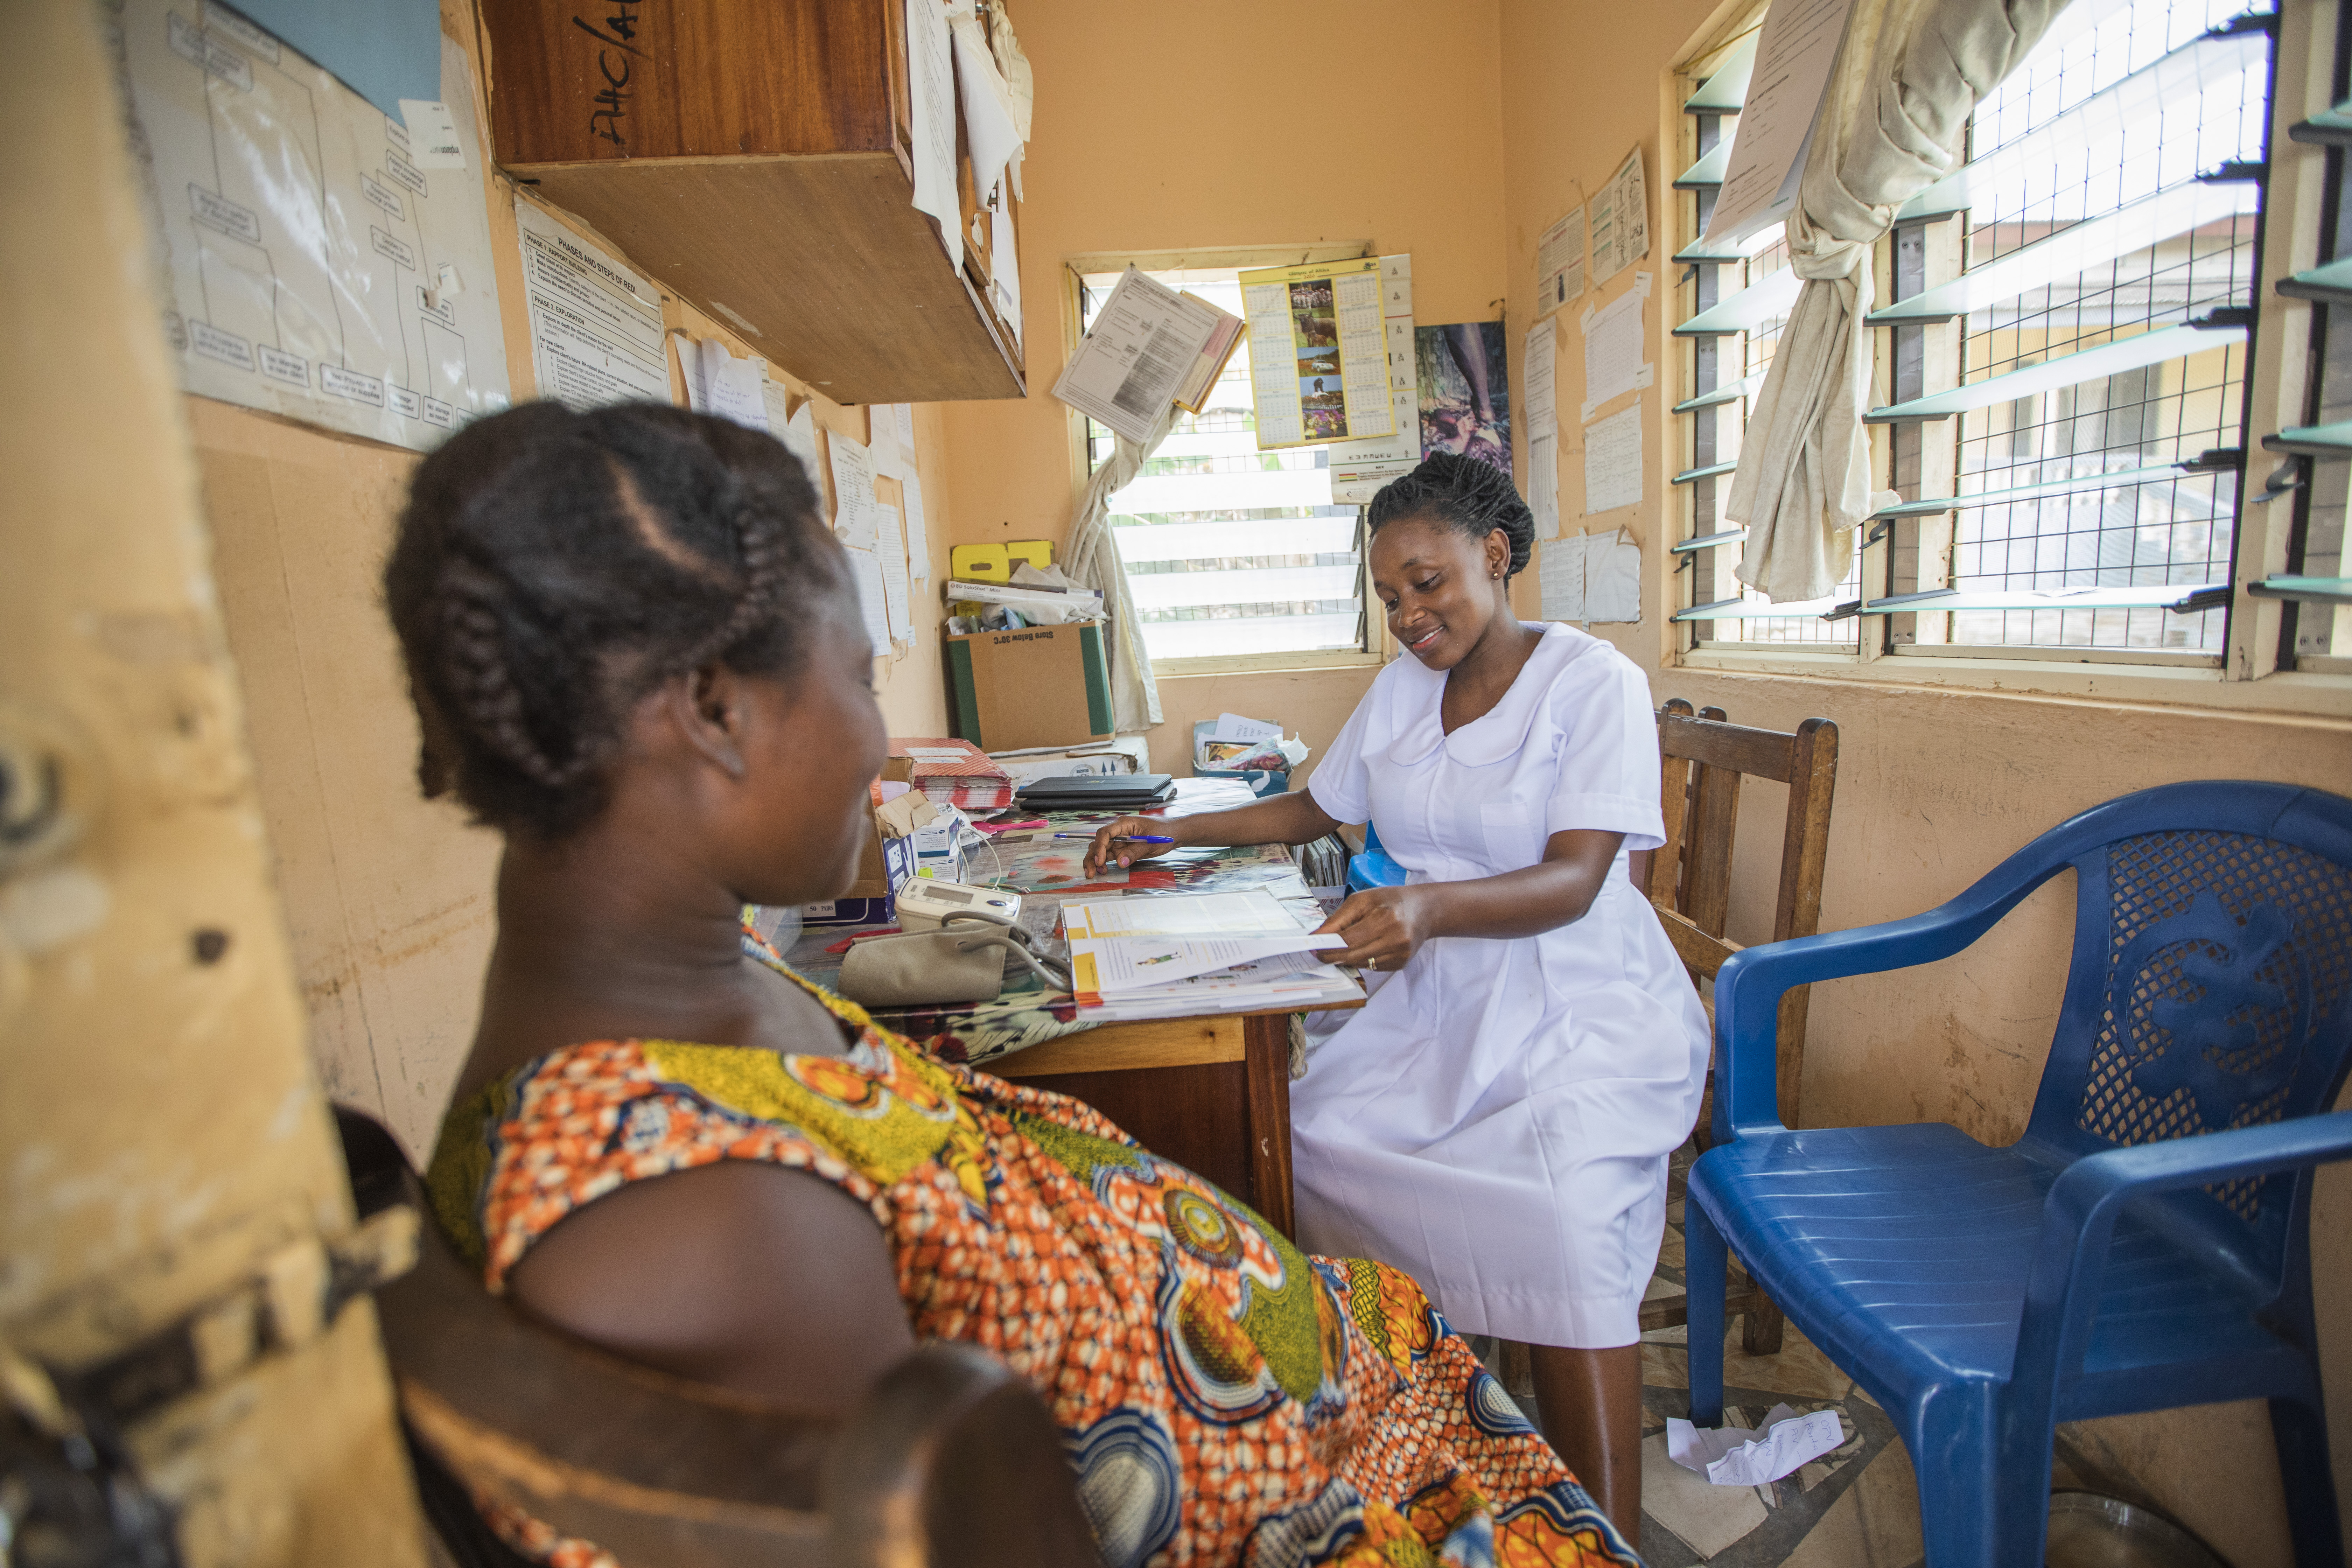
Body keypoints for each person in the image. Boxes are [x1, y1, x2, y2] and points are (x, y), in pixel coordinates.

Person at [391, 403, 1644, 1568]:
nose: (884, 744)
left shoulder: (699, 985)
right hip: (1321, 1484)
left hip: (1335, 1341)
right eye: (859, 680)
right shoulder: (694, 1220)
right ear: (716, 712)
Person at [1085, 452, 1708, 1536]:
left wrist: (1425, 911)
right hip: (1442, 1006)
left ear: (1495, 556)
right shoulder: (1402, 690)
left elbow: (1576, 880)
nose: (1409, 616)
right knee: (1305, 1141)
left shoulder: (1590, 681)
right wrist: (1167, 828)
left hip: (1580, 1000)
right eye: (1388, 598)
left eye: (1428, 583)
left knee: (1564, 1218)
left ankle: (1606, 1535)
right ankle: (1409, 1430)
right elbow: (1314, 810)